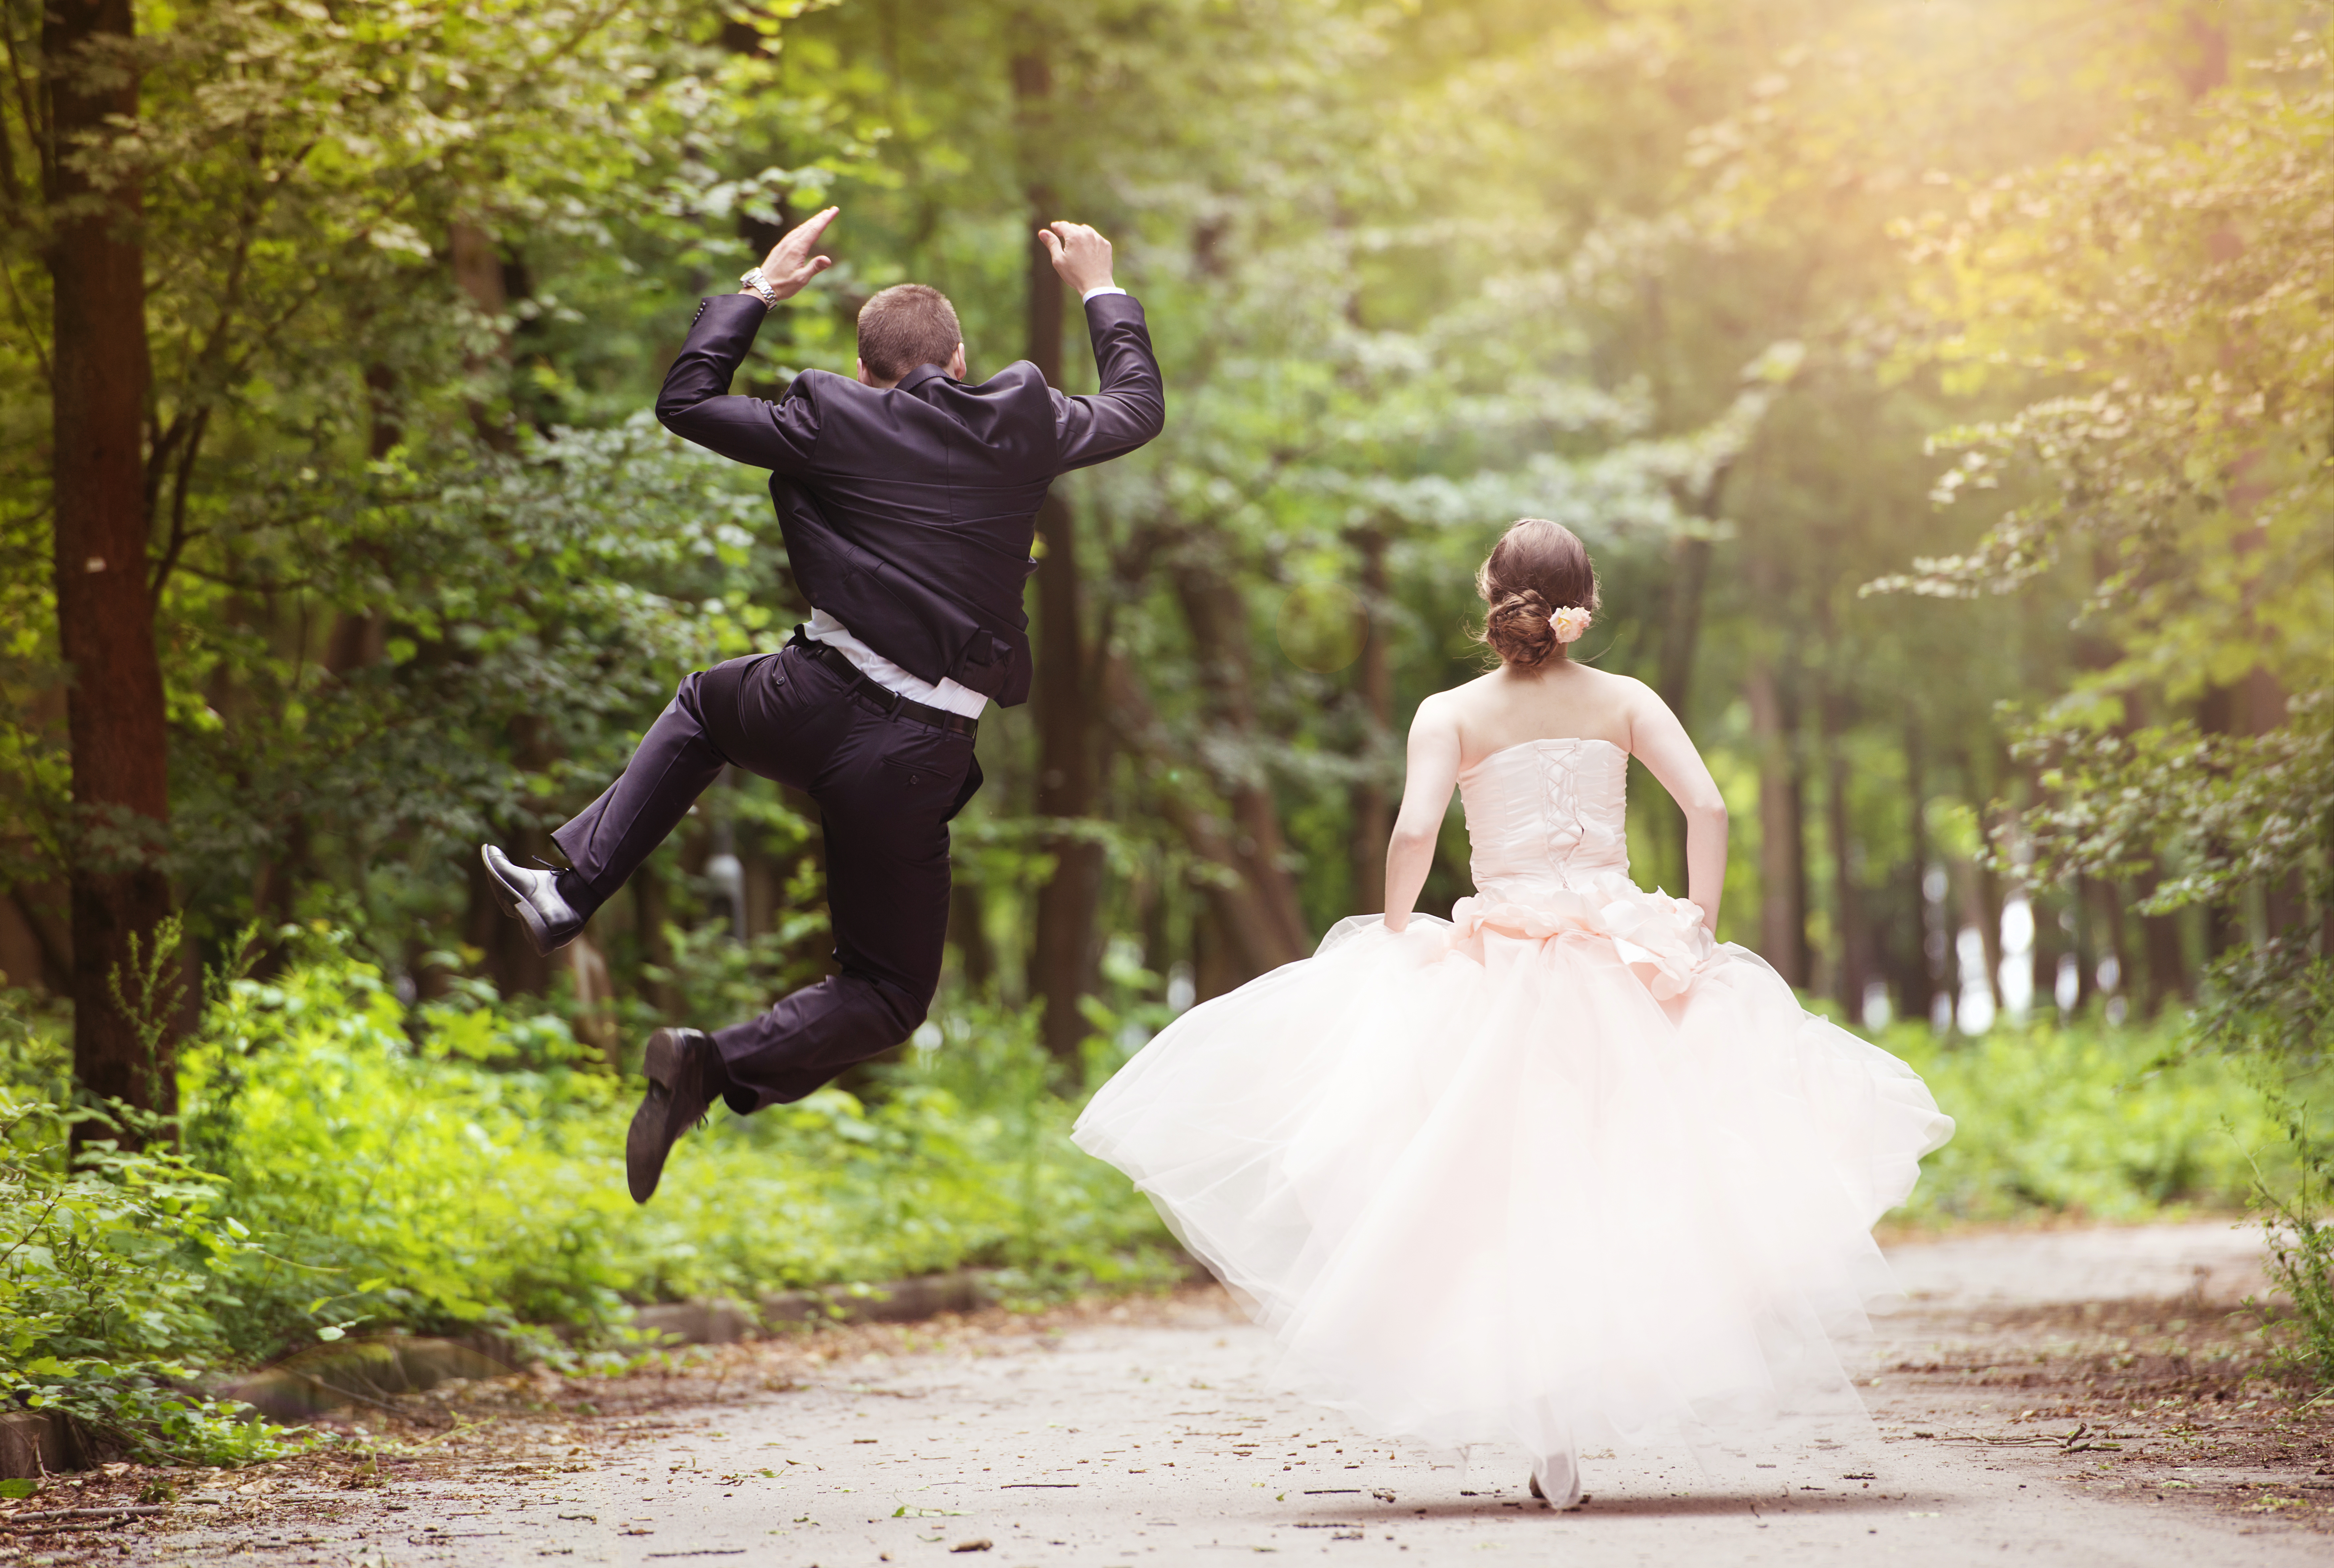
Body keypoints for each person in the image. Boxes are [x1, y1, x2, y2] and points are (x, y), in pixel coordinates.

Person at [1074, 518, 1953, 1508]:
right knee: (1632, 1179)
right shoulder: (1625, 701)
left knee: (1499, 1191)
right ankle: (1595, 1402)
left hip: (1504, 955)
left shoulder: (1448, 712)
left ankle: (1553, 1448)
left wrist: (1398, 928)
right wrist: (1693, 928)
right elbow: (1707, 808)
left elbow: (1413, 828)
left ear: (1492, 594)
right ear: (1586, 601)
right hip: (1618, 955)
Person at [482, 208, 1165, 1202]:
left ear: (864, 366)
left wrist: (760, 288)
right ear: (959, 356)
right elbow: (1136, 407)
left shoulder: (826, 417)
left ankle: (570, 893)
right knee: (887, 993)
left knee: (707, 706)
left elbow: (688, 401)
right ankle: (713, 1062)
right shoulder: (1022, 421)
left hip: (808, 696)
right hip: (914, 748)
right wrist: (1099, 288)